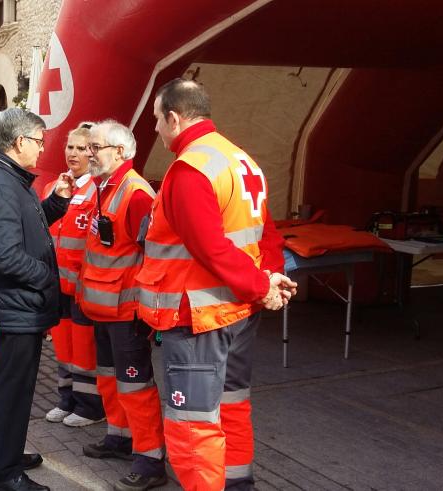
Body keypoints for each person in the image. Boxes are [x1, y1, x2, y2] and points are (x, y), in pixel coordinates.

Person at [138, 78, 296, 491]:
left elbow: (211, 249)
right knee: (231, 405)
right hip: (239, 312)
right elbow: (266, 234)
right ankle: (237, 483)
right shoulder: (242, 161)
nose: (155, 129)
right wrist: (268, 282)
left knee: (192, 423)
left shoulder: (189, 169)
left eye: (157, 119)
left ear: (174, 117)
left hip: (198, 317)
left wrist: (263, 286)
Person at [0, 108, 73, 491]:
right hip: (15, 305)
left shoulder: (6, 176)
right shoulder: (0, 183)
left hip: (13, 304)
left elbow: (26, 228)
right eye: (40, 142)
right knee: (10, 392)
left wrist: (57, 203)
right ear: (20, 142)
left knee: (4, 389)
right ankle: (4, 473)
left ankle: (1, 455)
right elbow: (4, 254)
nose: (43, 150)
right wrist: (47, 278)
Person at [76, 120, 165, 491]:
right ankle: (119, 436)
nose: (88, 153)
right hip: (102, 306)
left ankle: (150, 459)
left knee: (135, 385)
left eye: (95, 148)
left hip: (125, 311)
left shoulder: (136, 193)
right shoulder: (105, 186)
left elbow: (152, 255)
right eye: (88, 147)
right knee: (110, 377)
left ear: (121, 152)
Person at [42, 123, 106, 428]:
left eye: (82, 148)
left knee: (83, 349)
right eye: (70, 147)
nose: (74, 154)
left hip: (83, 287)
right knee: (64, 348)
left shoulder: (98, 189)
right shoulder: (54, 187)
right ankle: (66, 398)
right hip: (58, 285)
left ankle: (90, 405)